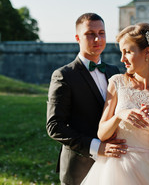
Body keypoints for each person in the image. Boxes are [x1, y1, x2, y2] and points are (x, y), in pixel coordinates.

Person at [81, 23, 149, 185]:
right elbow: (102, 134)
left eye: (128, 52)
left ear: (147, 52)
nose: (122, 59)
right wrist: (119, 116)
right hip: (116, 170)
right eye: (121, 52)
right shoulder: (117, 83)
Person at [46, 13, 128, 185]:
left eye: (102, 33)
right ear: (77, 37)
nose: (97, 39)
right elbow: (54, 126)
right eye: (90, 34)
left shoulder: (115, 72)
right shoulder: (63, 75)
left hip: (114, 165)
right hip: (79, 167)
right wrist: (97, 147)